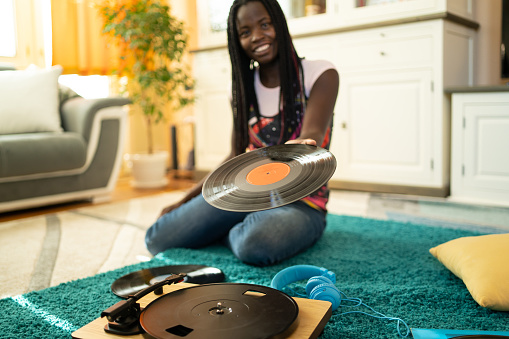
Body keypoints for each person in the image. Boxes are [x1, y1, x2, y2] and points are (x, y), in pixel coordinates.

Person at [145, 0, 339, 266]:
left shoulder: (320, 73)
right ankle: (235, 225)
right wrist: (185, 199)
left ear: (279, 24)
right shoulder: (239, 90)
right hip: (246, 195)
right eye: (245, 32)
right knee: (157, 237)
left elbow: (313, 132)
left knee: (254, 244)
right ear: (237, 41)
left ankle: (228, 231)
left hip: (302, 204)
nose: (257, 36)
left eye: (264, 25)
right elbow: (235, 155)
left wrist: (302, 145)